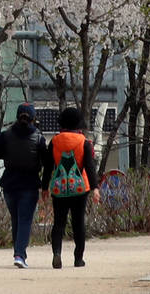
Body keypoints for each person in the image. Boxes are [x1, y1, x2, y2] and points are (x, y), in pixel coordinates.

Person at [0, 103, 46, 268]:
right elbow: (47, 161)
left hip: (9, 184)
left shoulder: (6, 135)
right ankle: (20, 255)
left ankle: (18, 253)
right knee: (25, 220)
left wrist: (3, 153)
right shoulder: (39, 138)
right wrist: (45, 184)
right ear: (34, 119)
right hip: (29, 184)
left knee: (16, 220)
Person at [41, 105, 102, 268]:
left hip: (59, 188)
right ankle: (78, 258)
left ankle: (57, 253)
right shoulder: (84, 142)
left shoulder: (54, 141)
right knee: (78, 223)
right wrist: (95, 188)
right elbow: (89, 166)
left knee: (59, 223)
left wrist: (44, 187)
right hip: (80, 188)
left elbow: (48, 166)